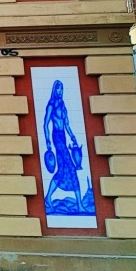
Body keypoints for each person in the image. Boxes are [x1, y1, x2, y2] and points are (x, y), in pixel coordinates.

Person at [43, 80, 84, 214]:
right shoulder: (51, 105)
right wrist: (48, 141)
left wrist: (73, 137)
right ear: (55, 90)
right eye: (59, 89)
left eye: (62, 89)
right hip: (56, 138)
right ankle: (79, 205)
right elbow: (45, 124)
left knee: (61, 171)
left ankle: (48, 197)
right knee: (72, 167)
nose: (61, 91)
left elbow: (67, 124)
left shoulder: (63, 105)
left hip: (64, 137)